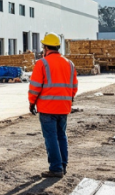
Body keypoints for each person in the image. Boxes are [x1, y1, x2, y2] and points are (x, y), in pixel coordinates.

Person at [28, 33, 78, 178]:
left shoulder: (42, 63)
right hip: (63, 107)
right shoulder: (69, 64)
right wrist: (68, 99)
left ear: (46, 47)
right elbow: (74, 87)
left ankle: (56, 168)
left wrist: (32, 102)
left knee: (51, 137)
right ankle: (63, 165)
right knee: (61, 135)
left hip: (47, 107)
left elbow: (35, 87)